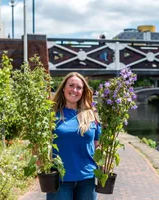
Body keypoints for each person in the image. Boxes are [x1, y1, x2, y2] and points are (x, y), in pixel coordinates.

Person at [48, 72, 101, 200]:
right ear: (64, 89)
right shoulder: (51, 115)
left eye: (79, 87)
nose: (75, 90)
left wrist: (104, 164)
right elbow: (41, 144)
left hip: (88, 179)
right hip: (60, 179)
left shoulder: (91, 115)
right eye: (71, 85)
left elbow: (97, 145)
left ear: (83, 91)